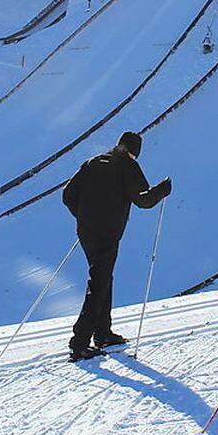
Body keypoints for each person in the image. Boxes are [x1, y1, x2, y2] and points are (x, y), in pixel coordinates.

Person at [63, 132, 171, 362]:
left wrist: (83, 217)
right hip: (107, 233)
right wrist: (163, 189)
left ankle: (103, 334)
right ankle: (80, 342)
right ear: (135, 151)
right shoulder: (128, 167)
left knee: (103, 277)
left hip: (86, 232)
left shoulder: (94, 162)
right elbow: (144, 200)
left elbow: (68, 195)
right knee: (99, 282)